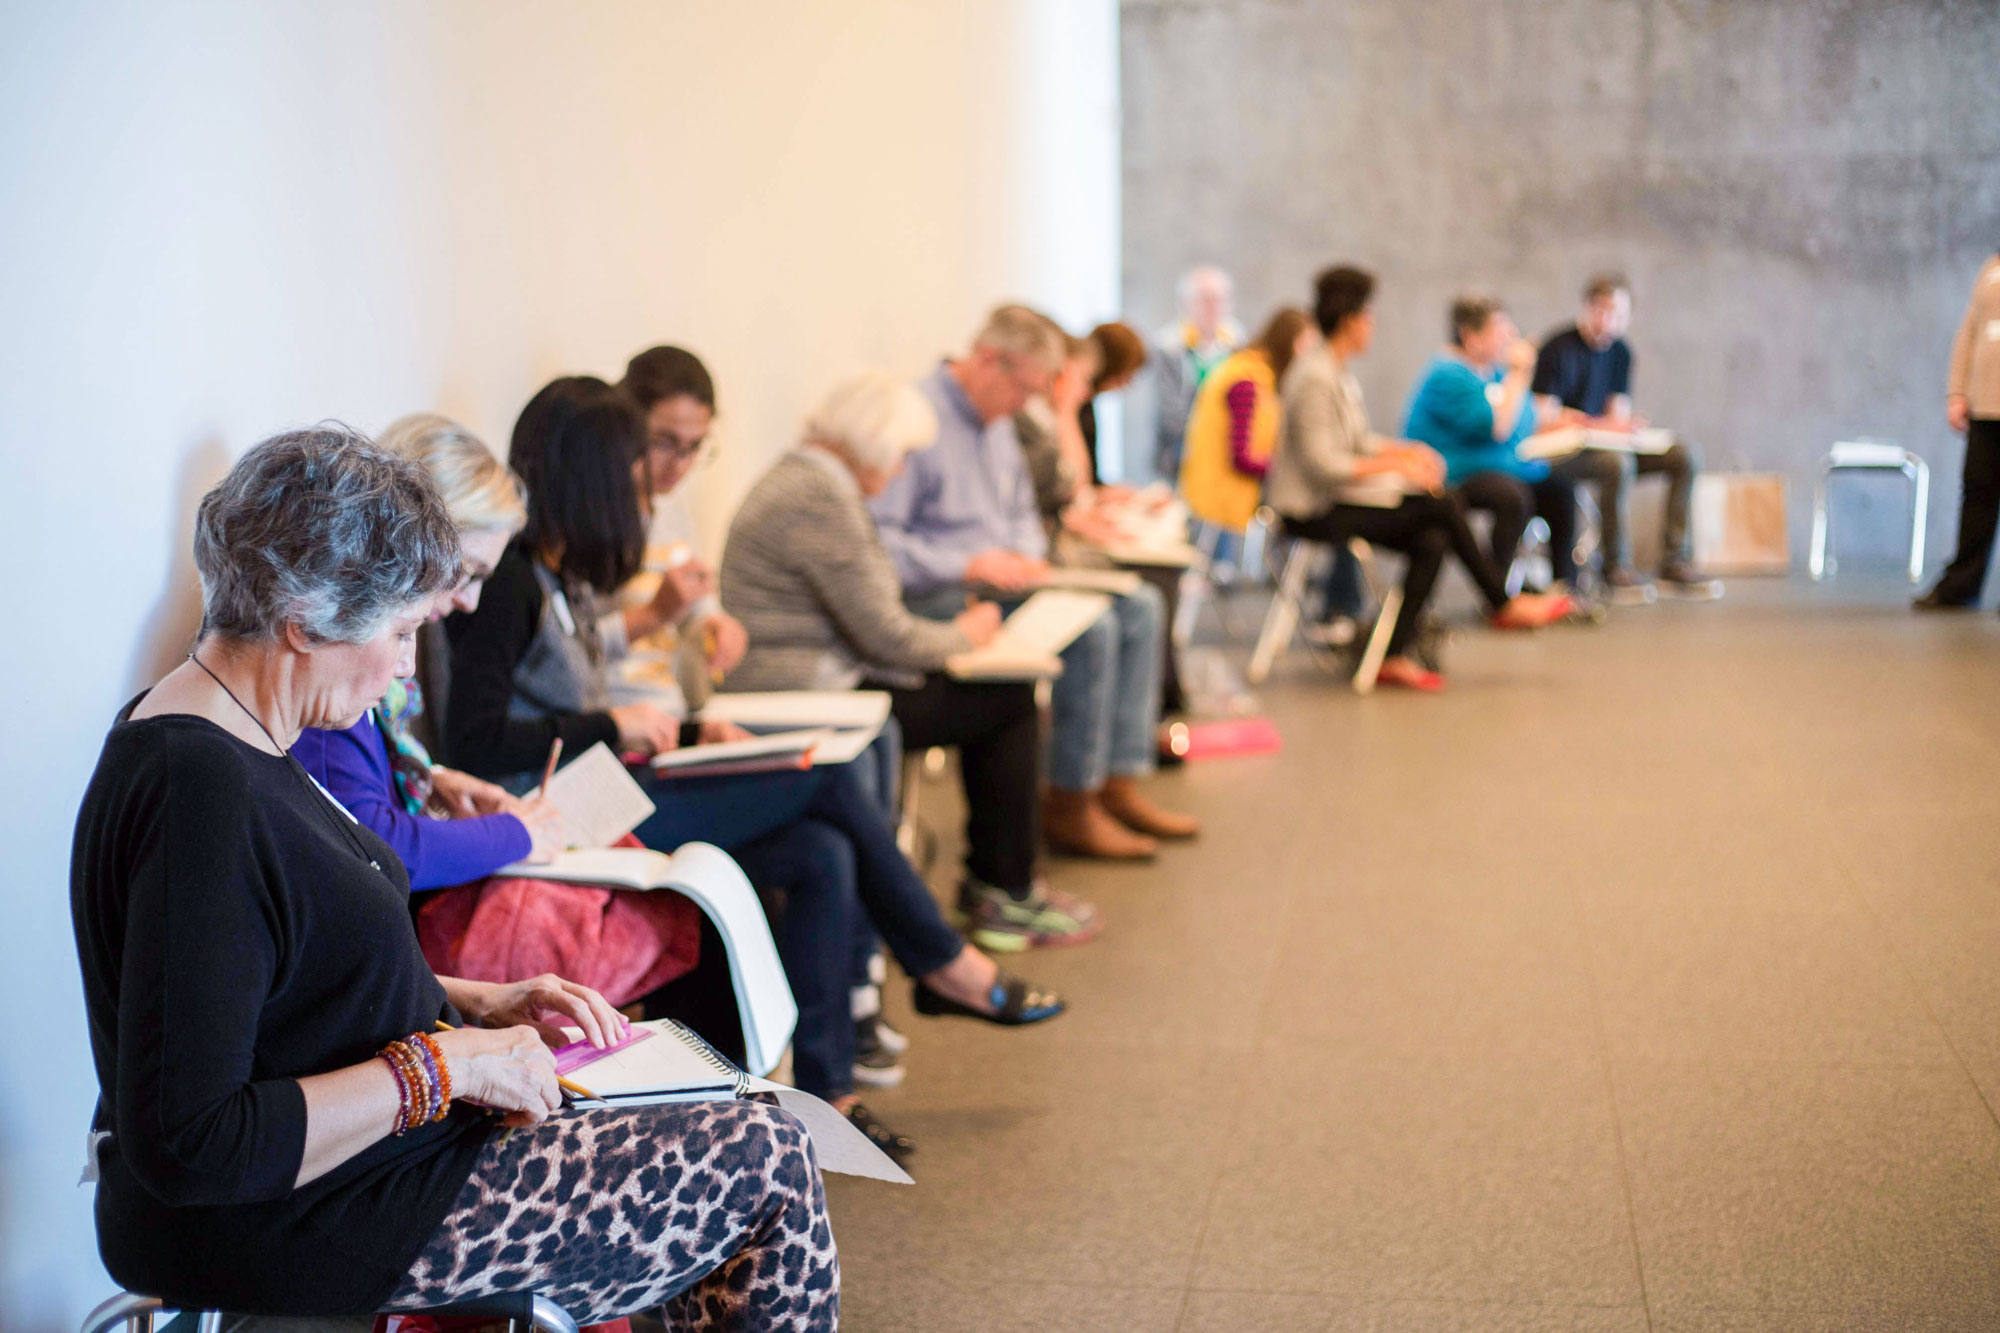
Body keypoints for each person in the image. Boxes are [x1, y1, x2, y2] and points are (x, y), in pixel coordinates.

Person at [71, 427, 837, 1327]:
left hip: (369, 1166)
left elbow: (275, 985)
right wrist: (443, 1063)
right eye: (399, 632)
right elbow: (198, 1144)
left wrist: (471, 1000)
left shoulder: (233, 735)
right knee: (768, 1156)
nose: (405, 664)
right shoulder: (200, 790)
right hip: (297, 1215)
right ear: (307, 620)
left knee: (727, 1116)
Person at [441, 376, 1065, 1158]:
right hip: (570, 815)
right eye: (638, 466)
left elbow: (582, 712)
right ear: (597, 474)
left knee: (822, 852)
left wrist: (695, 724)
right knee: (831, 780)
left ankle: (829, 1092)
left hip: (610, 787)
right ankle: (943, 962)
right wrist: (613, 722)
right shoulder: (506, 582)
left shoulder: (560, 573)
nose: (651, 484)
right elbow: (474, 740)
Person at [292, 413, 705, 1012]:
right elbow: (376, 845)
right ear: (416, 541)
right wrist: (515, 833)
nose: (469, 600)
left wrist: (432, 780)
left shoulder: (359, 675)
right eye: (468, 572)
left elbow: (361, 804)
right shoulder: (343, 679)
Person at [722, 371, 1102, 952]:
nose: (900, 471)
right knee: (1009, 702)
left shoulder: (806, 482)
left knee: (998, 696)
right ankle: (1001, 888)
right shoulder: (818, 497)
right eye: (899, 456)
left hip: (823, 673)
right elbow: (888, 636)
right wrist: (966, 637)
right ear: (873, 443)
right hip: (812, 689)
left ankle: (999, 884)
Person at [869, 304, 1198, 860]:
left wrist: (1023, 556)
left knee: (1139, 606)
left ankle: (1114, 782)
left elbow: (1023, 510)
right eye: (1025, 390)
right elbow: (880, 542)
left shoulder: (997, 422)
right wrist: (969, 563)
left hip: (1008, 580)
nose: (1027, 406)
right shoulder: (916, 419)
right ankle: (1070, 802)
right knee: (1092, 632)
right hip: (945, 592)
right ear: (990, 361)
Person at [1266, 267, 1574, 690]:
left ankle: (1393, 652)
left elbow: (1355, 441)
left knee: (1434, 537)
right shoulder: (1316, 376)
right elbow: (1325, 465)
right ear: (1350, 320)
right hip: (1310, 510)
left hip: (1335, 499)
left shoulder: (1333, 370)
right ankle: (1500, 601)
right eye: (1369, 316)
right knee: (1441, 504)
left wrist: (1404, 452)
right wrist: (1398, 466)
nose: (1372, 325)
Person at [1533, 274, 1720, 601]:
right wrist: (1593, 424)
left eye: (1619, 314)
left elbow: (1616, 414)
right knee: (1616, 464)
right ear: (1588, 309)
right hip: (1563, 453)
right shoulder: (1556, 349)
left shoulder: (1620, 353)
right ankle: (1615, 567)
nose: (1609, 320)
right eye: (1603, 310)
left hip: (1604, 444)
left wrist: (1621, 426)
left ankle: (1675, 560)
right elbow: (1543, 417)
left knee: (1684, 455)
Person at [1405, 295, 1583, 594]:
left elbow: (1525, 418)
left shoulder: (1492, 371)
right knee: (1511, 496)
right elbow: (1497, 428)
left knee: (1560, 491)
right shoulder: (1447, 373)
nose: (1510, 335)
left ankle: (1564, 589)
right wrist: (1520, 373)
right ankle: (1497, 592)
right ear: (1471, 336)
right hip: (1452, 472)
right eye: (1500, 328)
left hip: (1498, 467)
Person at [1916, 250, 2000, 609]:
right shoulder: (1991, 268)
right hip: (1985, 405)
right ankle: (1962, 585)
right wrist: (1957, 392)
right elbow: (1969, 331)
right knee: (1977, 496)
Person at [1152, 265, 1244, 481]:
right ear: (1186, 304)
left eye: (1219, 299)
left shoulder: (1238, 344)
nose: (1213, 307)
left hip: (1228, 460)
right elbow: (1170, 414)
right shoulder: (1169, 347)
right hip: (1181, 458)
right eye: (1205, 300)